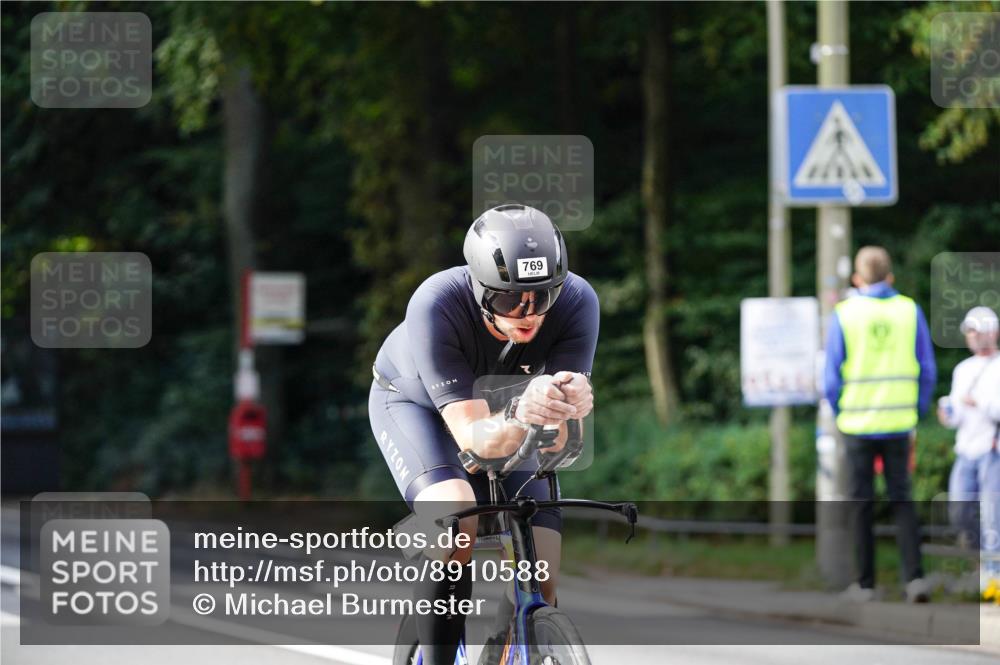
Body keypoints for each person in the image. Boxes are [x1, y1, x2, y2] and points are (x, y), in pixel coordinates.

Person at [368, 204, 598, 665]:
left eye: (542, 296)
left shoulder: (577, 301)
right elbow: (473, 439)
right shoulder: (436, 303)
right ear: (479, 289)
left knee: (544, 571)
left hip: (509, 413)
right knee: (457, 520)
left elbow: (558, 442)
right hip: (418, 408)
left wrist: (568, 408)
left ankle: (505, 650)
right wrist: (523, 415)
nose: (528, 313)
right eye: (509, 300)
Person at [824, 246, 937, 603]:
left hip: (857, 424)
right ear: (891, 276)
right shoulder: (909, 310)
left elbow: (830, 377)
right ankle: (914, 579)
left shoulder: (844, 313)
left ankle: (866, 584)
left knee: (861, 504)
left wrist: (840, 411)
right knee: (903, 501)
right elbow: (928, 368)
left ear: (857, 279)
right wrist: (917, 409)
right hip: (900, 422)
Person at [938, 306, 1000, 590]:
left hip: (993, 451)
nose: (973, 336)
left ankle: (993, 576)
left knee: (992, 517)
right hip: (966, 450)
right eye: (969, 331)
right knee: (959, 512)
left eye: (978, 330)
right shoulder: (962, 370)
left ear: (993, 332)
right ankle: (979, 566)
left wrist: (981, 404)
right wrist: (948, 414)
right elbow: (957, 413)